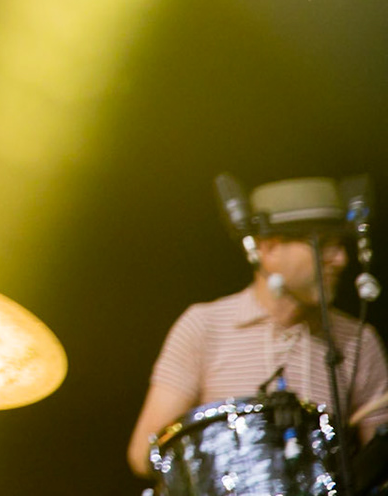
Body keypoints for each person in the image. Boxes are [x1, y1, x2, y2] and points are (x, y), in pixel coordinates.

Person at [127, 176, 388, 478]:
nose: (341, 259)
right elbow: (145, 454)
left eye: (341, 246)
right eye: (324, 245)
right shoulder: (204, 325)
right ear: (269, 249)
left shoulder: (359, 340)